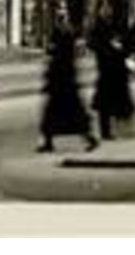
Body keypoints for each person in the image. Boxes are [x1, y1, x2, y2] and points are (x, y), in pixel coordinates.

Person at [37, 20, 97, 154]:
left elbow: (55, 70)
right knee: (72, 118)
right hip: (67, 90)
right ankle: (88, 138)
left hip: (61, 91)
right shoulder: (67, 51)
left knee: (54, 117)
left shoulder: (62, 53)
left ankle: (49, 142)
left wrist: (48, 82)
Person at [89, 5, 135, 140]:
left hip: (115, 70)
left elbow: (124, 42)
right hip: (107, 70)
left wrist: (121, 49)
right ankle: (107, 131)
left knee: (114, 102)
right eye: (105, 11)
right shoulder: (99, 28)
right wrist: (110, 49)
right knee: (106, 104)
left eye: (108, 11)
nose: (107, 13)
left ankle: (115, 128)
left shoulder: (113, 26)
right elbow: (96, 45)